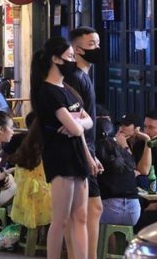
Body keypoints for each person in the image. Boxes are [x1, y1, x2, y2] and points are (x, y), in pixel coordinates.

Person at [31, 36, 97, 259]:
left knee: (81, 216)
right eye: (69, 57)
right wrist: (77, 125)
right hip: (60, 158)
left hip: (77, 156)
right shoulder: (47, 92)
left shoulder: (68, 89)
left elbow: (87, 122)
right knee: (61, 219)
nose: (72, 61)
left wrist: (75, 123)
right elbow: (78, 128)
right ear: (55, 59)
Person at [65, 26, 104, 259]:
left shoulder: (82, 76)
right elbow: (74, 122)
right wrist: (88, 155)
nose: (97, 49)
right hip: (78, 152)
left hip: (85, 150)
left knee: (85, 211)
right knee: (84, 211)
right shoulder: (74, 78)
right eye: (91, 45)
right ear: (76, 49)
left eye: (97, 43)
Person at [9, 114, 53, 230]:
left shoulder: (20, 142)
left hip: (21, 198)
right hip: (46, 200)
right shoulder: (51, 145)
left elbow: (3, 159)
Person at [95, 117, 141, 226]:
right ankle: (113, 243)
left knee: (78, 214)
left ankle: (101, 243)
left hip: (110, 210)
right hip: (134, 211)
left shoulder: (94, 152)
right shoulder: (123, 150)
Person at [116, 114, 153, 179]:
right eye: (120, 125)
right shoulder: (119, 142)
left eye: (126, 125)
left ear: (137, 128)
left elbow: (144, 171)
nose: (121, 128)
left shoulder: (143, 143)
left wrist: (125, 146)